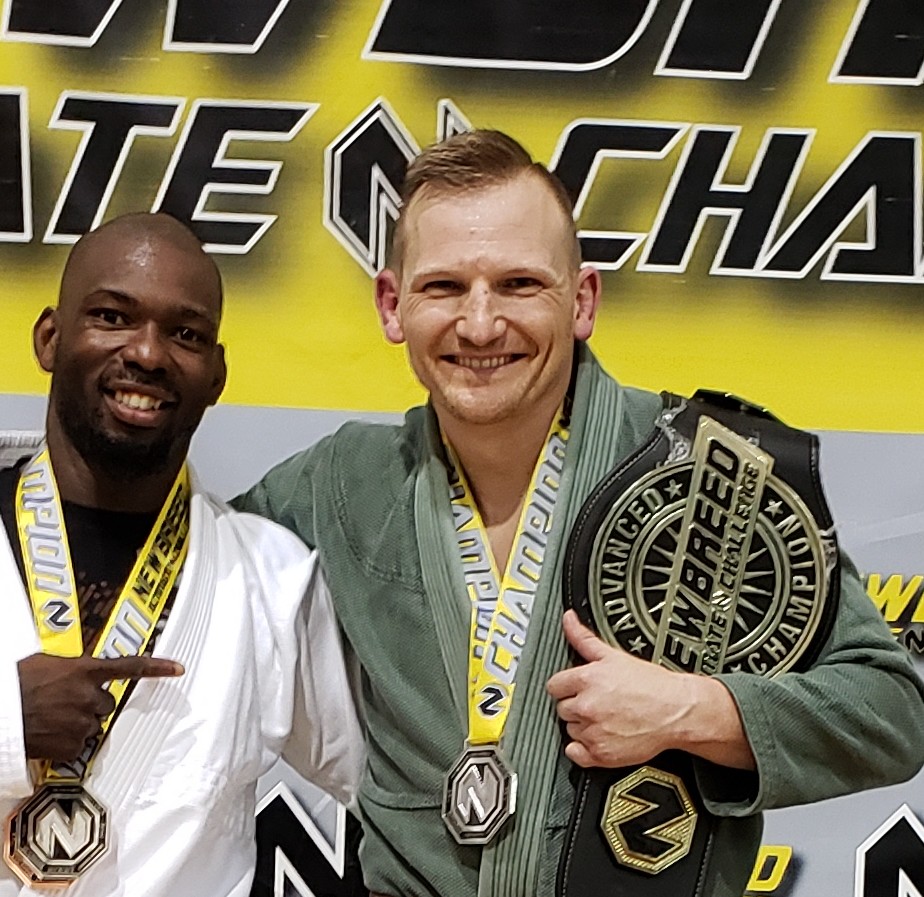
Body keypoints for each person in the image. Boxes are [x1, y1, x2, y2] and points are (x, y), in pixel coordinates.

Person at [234, 131, 924, 897]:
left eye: (520, 283)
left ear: (584, 299)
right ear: (392, 305)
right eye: (443, 287)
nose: (481, 323)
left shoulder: (709, 473)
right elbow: (185, 570)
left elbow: (891, 708)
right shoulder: (342, 483)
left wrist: (696, 709)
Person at [0, 213, 363, 897]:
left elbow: (395, 780)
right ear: (50, 337)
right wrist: (6, 720)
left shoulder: (270, 579)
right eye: (112, 316)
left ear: (218, 373)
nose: (147, 352)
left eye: (185, 333)